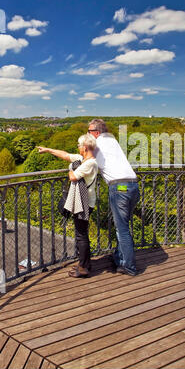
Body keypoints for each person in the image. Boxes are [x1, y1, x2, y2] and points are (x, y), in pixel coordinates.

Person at [37, 134, 98, 278]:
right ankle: (85, 263)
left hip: (84, 203)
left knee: (81, 235)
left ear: (85, 147)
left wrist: (71, 168)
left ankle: (83, 267)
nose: (78, 147)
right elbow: (65, 155)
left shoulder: (90, 163)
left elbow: (73, 177)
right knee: (82, 234)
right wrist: (47, 150)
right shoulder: (82, 159)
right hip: (83, 201)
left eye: (79, 145)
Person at [88, 119, 140, 276]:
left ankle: (129, 267)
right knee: (123, 226)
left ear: (96, 133)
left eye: (89, 132)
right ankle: (120, 259)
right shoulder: (112, 141)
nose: (87, 134)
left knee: (122, 229)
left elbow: (89, 162)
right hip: (133, 185)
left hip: (119, 187)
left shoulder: (97, 145)